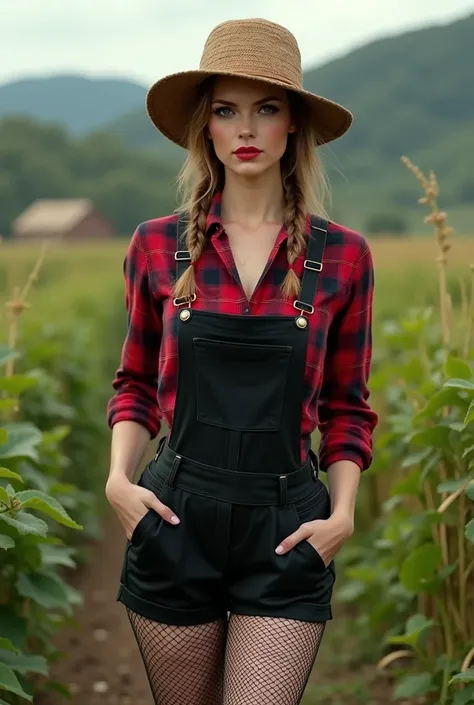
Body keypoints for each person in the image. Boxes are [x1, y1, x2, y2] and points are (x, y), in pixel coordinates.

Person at [105, 16, 379, 705]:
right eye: (227, 110)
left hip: (287, 532)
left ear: (294, 126)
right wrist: (117, 481)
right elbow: (135, 382)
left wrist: (343, 514)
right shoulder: (156, 246)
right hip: (175, 521)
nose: (246, 129)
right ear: (207, 128)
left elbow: (348, 405)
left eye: (267, 109)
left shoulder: (343, 256)